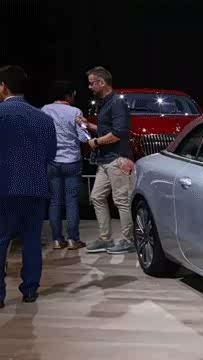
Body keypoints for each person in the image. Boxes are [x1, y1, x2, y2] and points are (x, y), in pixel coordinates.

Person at [0, 65, 58, 308]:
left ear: (3, 86)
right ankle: (30, 290)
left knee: (1, 240)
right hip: (35, 187)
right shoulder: (44, 118)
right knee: (32, 240)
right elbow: (51, 154)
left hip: (4, 187)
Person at [76, 66, 135, 254]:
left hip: (117, 159)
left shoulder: (117, 103)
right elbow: (107, 129)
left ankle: (128, 240)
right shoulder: (106, 103)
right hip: (105, 160)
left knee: (121, 201)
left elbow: (118, 133)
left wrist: (95, 142)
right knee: (97, 197)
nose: (89, 87)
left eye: (92, 83)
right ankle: (105, 239)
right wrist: (88, 125)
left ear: (102, 83)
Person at [41, 81, 91, 250]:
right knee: (71, 202)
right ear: (69, 95)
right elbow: (84, 137)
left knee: (55, 201)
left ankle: (56, 239)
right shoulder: (75, 111)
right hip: (72, 161)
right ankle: (73, 239)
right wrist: (83, 124)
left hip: (52, 161)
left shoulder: (45, 110)